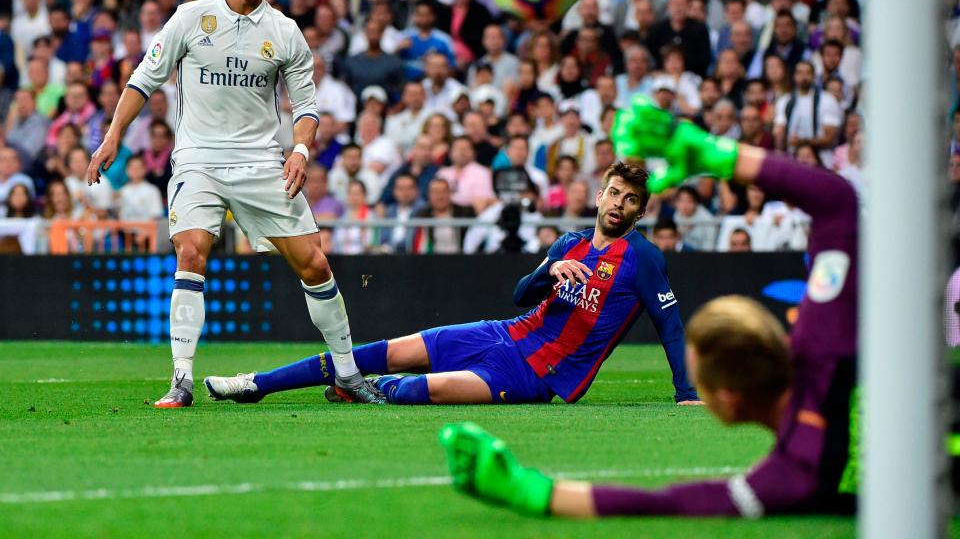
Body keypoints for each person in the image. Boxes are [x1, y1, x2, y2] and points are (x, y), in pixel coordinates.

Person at [441, 96, 858, 518]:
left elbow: (672, 504)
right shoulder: (827, 353)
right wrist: (719, 155)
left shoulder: (795, 472)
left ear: (730, 407)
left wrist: (537, 493)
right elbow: (836, 198)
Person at [86, 0, 384, 407]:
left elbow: (307, 108)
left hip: (261, 163)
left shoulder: (285, 32)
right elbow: (144, 78)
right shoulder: (190, 18)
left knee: (314, 263)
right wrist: (113, 134)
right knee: (190, 253)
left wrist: (301, 151)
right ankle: (180, 380)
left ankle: (347, 376)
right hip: (197, 160)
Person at [205, 161, 700, 407]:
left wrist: (685, 393)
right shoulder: (568, 243)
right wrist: (547, 274)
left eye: (630, 199)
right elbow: (520, 296)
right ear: (599, 195)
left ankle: (364, 390)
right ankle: (258, 384)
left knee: (410, 391)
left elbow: (671, 327)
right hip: (502, 334)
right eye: (614, 192)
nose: (619, 203)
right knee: (371, 351)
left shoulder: (643, 259)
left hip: (533, 377)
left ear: (640, 209)